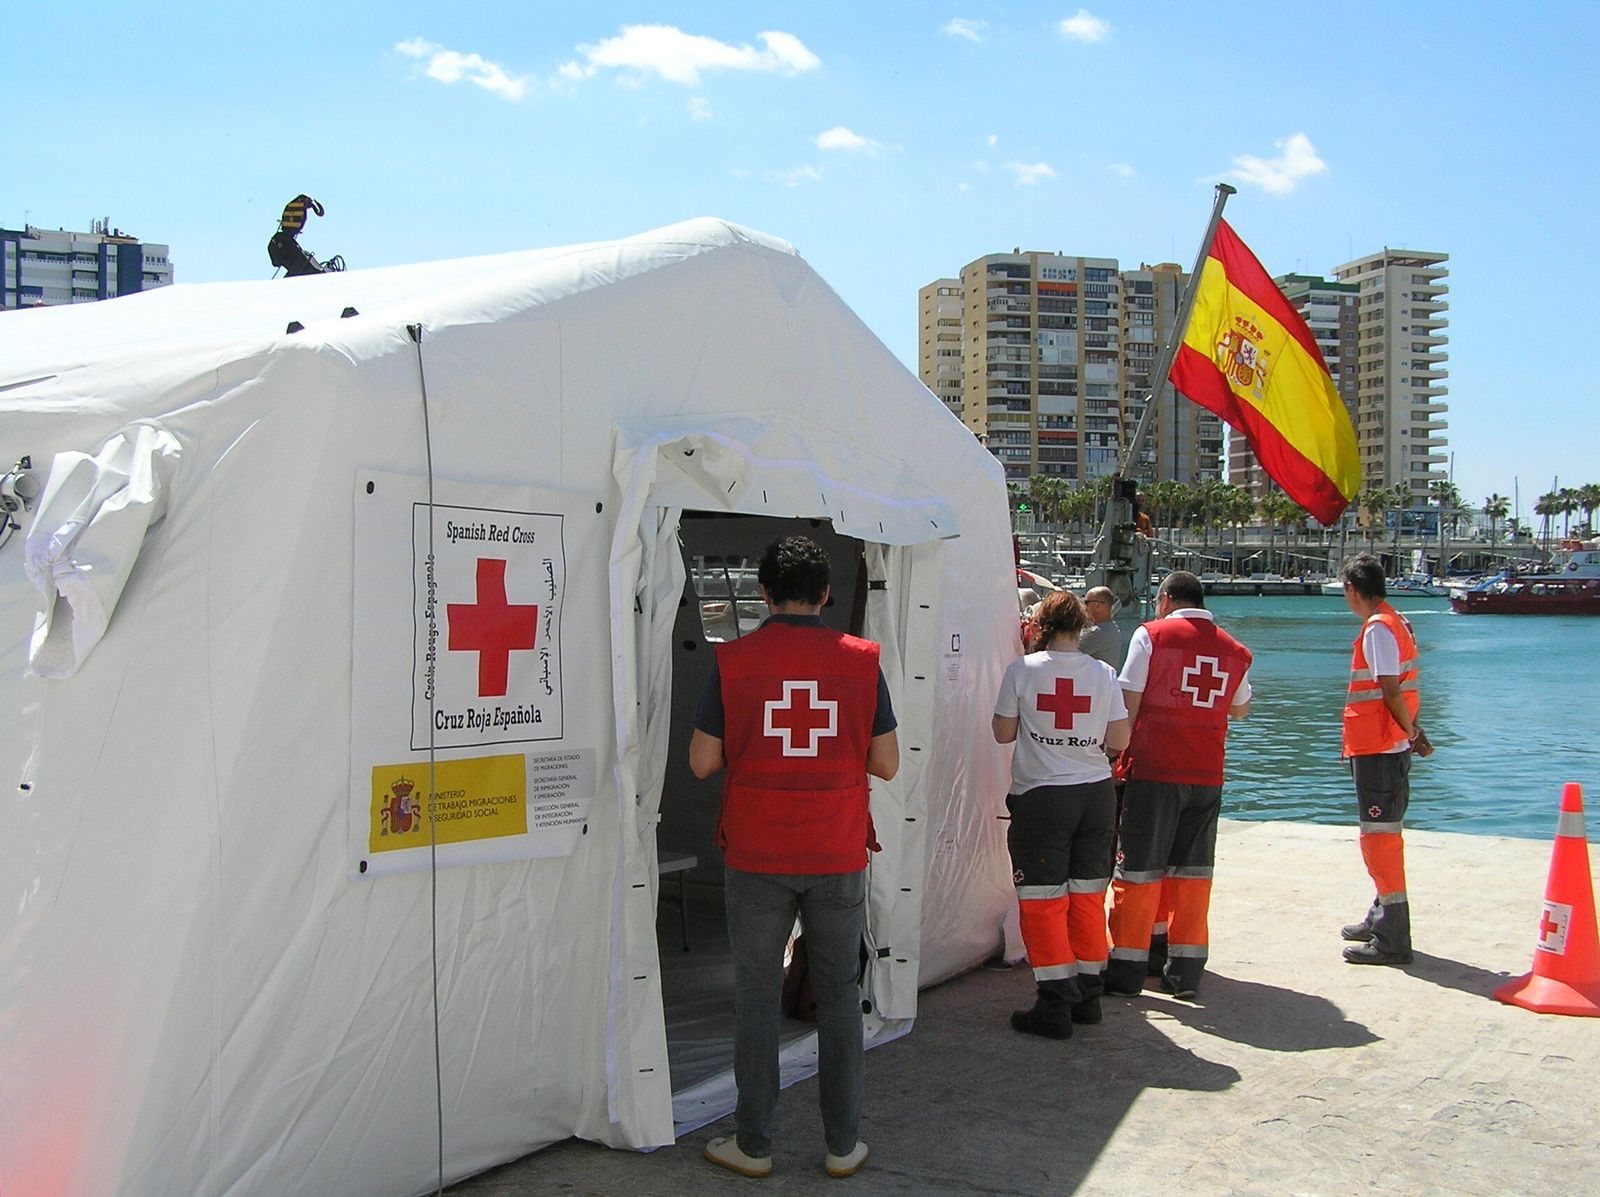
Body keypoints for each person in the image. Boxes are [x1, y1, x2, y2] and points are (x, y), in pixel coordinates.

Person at [689, 536, 899, 1180]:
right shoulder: (863, 662)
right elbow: (886, 763)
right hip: (836, 851)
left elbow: (702, 762)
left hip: (756, 853)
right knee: (839, 997)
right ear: (827, 594)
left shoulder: (734, 662)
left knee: (755, 998)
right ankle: (842, 1147)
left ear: (764, 592)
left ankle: (754, 1145)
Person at [1105, 571, 1252, 1000]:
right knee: (1191, 874)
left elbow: (1127, 699)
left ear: (1166, 599)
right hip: (1207, 775)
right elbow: (1240, 709)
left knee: (1139, 870)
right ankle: (1185, 971)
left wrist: (1114, 753)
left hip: (1155, 771)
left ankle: (1129, 969)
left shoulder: (1150, 637)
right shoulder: (1235, 651)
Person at [993, 591, 1131, 1038]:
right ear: (1081, 628)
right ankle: (1089, 997)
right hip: (1095, 795)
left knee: (1043, 901)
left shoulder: (1023, 670)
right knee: (1088, 896)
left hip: (1044, 798)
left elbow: (1002, 733)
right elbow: (1121, 738)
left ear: (1040, 628)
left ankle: (1054, 1005)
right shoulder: (1105, 673)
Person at [1338, 555, 1426, 966]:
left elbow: (1390, 690)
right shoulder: (1397, 620)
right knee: (1382, 834)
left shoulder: (1378, 629)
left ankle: (1392, 938)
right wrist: (1413, 733)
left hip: (1379, 747)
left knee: (1380, 838)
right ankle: (1380, 916)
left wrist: (1409, 733)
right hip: (1385, 745)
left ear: (1354, 590)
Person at [1076, 586, 1125, 670]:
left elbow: (1068, 655)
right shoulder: (1111, 628)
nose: (1083, 606)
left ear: (1097, 605)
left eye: (1086, 602)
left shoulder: (1098, 632)